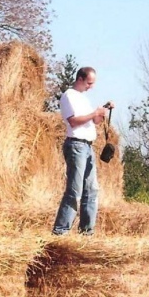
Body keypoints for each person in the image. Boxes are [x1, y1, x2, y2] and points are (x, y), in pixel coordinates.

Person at [52, 66, 114, 236]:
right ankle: (61, 230)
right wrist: (94, 112)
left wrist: (102, 112)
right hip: (76, 145)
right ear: (80, 79)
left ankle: (87, 231)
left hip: (87, 146)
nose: (91, 86)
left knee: (92, 189)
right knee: (75, 190)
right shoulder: (69, 96)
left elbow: (94, 122)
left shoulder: (83, 99)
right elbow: (73, 121)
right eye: (89, 83)